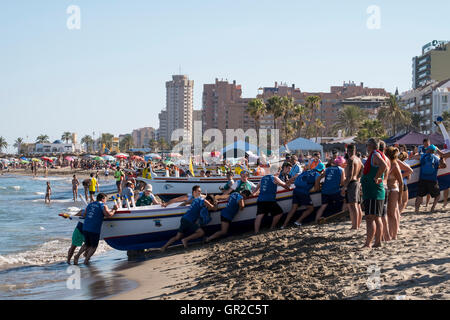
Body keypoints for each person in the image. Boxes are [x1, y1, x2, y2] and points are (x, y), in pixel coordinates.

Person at [74, 193, 117, 265]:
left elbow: (84, 214)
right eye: (105, 199)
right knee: (94, 246)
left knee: (87, 244)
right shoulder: (103, 205)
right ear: (103, 199)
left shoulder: (90, 204)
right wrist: (114, 209)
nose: (105, 201)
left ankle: (77, 256)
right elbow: (108, 215)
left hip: (86, 227)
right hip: (94, 228)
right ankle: (86, 261)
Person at [361, 138, 388, 249]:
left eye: (367, 145)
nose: (366, 147)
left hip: (374, 192)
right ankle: (377, 242)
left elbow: (384, 166)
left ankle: (368, 243)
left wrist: (376, 177)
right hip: (373, 192)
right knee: (377, 217)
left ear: (370, 146)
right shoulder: (375, 154)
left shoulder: (375, 155)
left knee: (370, 218)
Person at [281, 163, 324, 228]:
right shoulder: (317, 175)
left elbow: (295, 176)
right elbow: (316, 189)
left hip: (296, 190)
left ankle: (284, 225)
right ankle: (298, 221)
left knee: (293, 209)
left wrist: (287, 183)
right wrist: (321, 185)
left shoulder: (307, 171)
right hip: (303, 192)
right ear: (322, 170)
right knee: (310, 208)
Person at [415, 145, 446, 214]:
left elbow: (413, 157)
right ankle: (432, 208)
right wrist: (442, 159)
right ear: (434, 151)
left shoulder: (422, 156)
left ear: (428, 150)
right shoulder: (436, 158)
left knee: (420, 195)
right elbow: (444, 166)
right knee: (437, 195)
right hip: (432, 180)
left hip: (422, 178)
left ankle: (416, 209)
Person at [314, 157, 346, 223]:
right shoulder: (341, 170)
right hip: (334, 191)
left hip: (324, 191)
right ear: (341, 163)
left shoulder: (328, 169)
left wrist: (317, 187)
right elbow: (342, 182)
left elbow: (319, 178)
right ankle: (342, 217)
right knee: (346, 200)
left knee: (323, 206)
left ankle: (315, 220)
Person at [342, 144, 363, 230]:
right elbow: (363, 168)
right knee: (357, 205)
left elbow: (349, 175)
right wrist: (358, 178)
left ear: (348, 151)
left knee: (353, 206)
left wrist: (344, 187)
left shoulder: (351, 160)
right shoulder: (358, 159)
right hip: (357, 182)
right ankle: (357, 225)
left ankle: (355, 226)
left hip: (351, 183)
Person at [385, 147, 403, 240]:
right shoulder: (387, 164)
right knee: (389, 213)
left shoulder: (395, 165)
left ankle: (394, 235)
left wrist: (400, 197)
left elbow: (401, 182)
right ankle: (391, 233)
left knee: (392, 213)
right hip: (387, 190)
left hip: (393, 190)